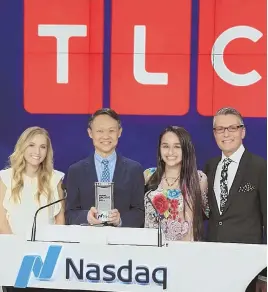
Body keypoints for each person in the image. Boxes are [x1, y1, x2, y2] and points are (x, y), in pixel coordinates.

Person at [204, 107, 267, 292]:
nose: (226, 134)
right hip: (213, 259)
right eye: (220, 129)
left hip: (248, 263)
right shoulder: (210, 166)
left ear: (243, 131)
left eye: (232, 128)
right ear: (214, 133)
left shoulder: (260, 167)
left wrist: (266, 271)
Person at [0, 127, 65, 292]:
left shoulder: (55, 179)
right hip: (13, 254)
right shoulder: (5, 178)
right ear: (22, 147)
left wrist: (52, 250)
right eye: (32, 145)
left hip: (46, 257)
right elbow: (1, 218)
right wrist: (16, 248)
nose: (37, 151)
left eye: (43, 147)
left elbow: (60, 219)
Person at [65, 108, 144, 227]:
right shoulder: (76, 171)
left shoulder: (134, 170)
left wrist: (120, 220)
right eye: (100, 131)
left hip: (122, 242)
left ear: (119, 132)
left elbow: (140, 212)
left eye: (111, 131)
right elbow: (69, 214)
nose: (106, 136)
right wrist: (87, 217)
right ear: (90, 133)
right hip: (87, 240)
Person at [144, 126, 208, 241]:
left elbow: (205, 216)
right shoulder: (148, 175)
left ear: (186, 149)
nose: (170, 152)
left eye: (177, 147)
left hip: (185, 251)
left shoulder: (198, 179)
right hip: (152, 248)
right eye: (165, 146)